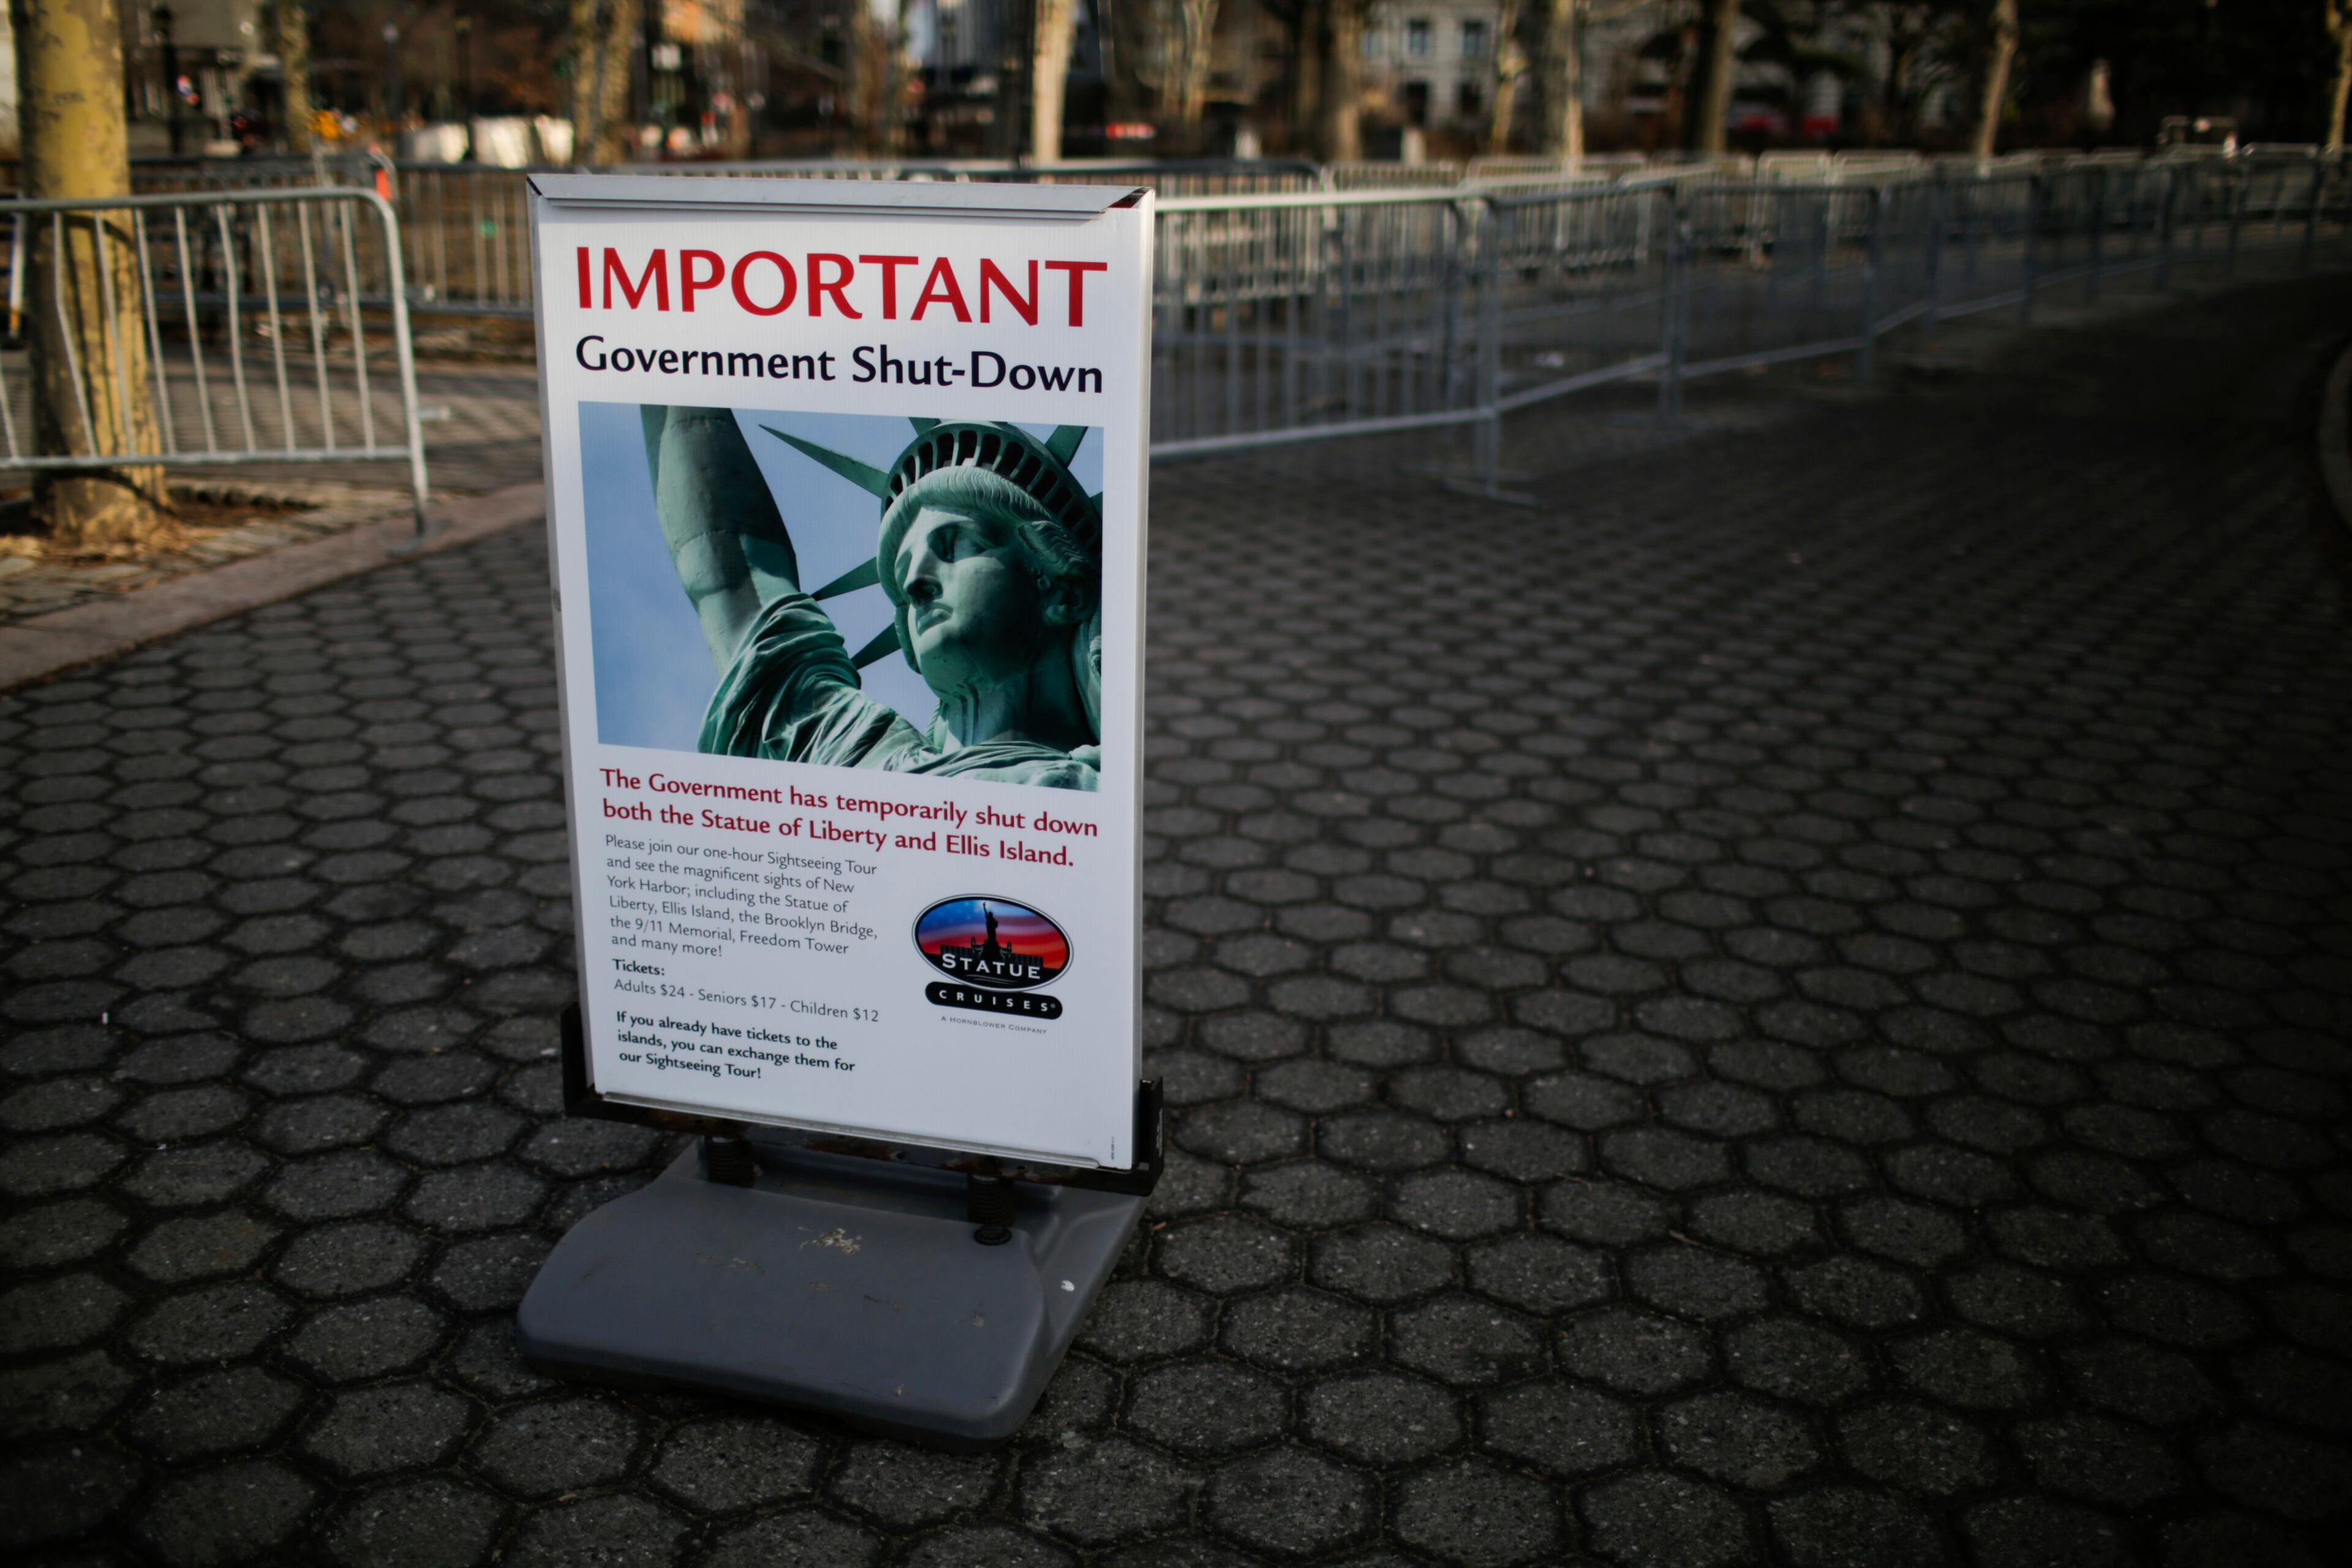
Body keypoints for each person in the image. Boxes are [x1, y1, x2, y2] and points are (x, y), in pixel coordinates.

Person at [642, 406, 1104, 791]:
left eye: (957, 546)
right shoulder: (856, 762)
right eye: (902, 574)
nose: (916, 583)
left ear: (1064, 590)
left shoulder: (1116, 785)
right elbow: (738, 585)